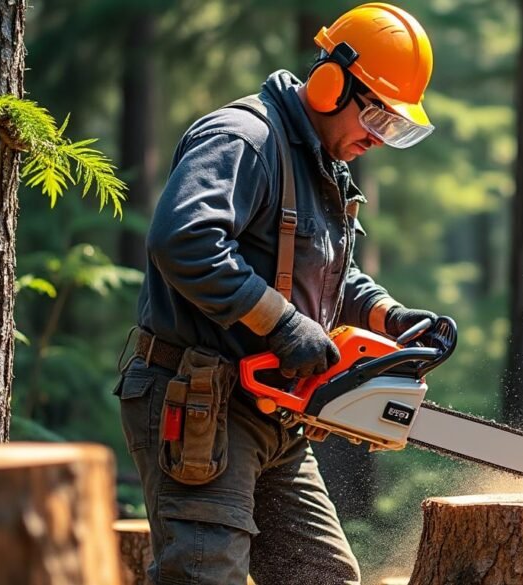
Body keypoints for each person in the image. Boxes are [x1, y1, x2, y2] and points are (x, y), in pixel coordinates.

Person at [114, 4, 438, 584]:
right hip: (201, 400)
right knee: (205, 573)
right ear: (331, 82)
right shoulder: (245, 138)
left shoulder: (320, 164)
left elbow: (330, 272)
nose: (378, 139)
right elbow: (184, 241)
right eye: (378, 119)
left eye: (394, 128)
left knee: (323, 576)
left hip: (273, 414)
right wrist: (286, 327)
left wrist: (389, 315)